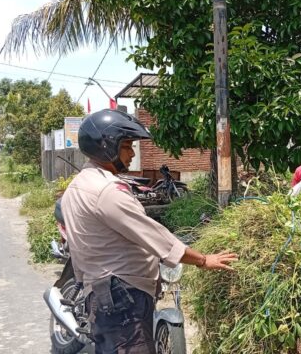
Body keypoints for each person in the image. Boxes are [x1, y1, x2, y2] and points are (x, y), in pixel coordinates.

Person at [61, 109, 238, 354]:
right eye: (127, 145)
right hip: (123, 299)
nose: (132, 152)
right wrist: (204, 259)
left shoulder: (78, 185)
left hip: (102, 295)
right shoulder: (107, 191)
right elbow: (154, 237)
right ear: (107, 145)